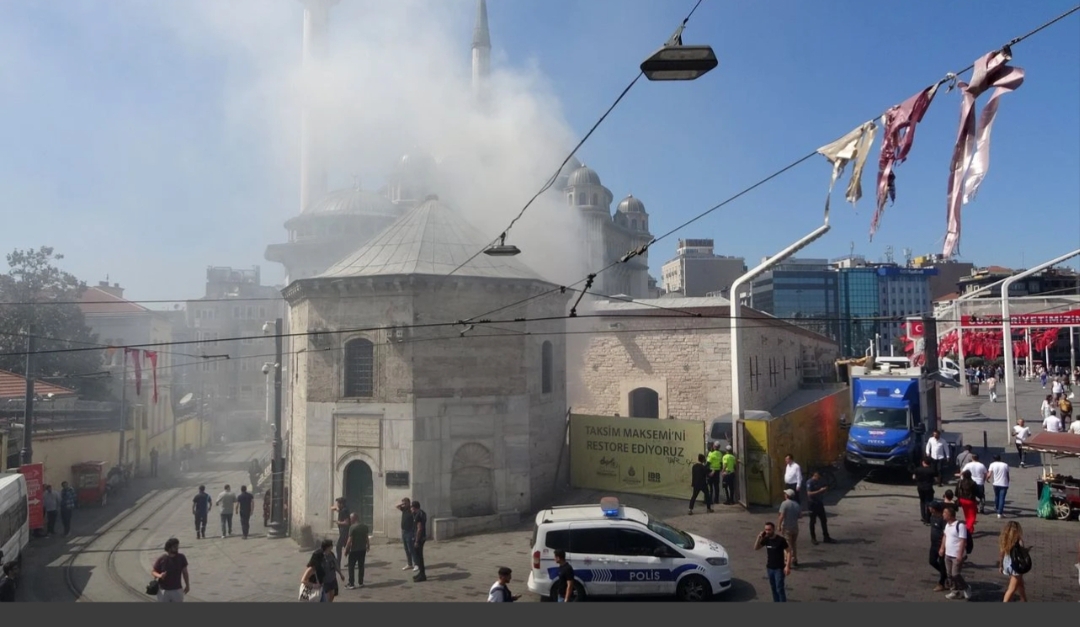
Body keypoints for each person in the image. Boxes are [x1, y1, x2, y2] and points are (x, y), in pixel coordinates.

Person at [754, 522, 792, 602]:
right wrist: (759, 537)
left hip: (779, 568)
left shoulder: (780, 540)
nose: (767, 531)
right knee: (773, 588)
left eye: (769, 530)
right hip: (770, 568)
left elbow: (788, 551)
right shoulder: (766, 539)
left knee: (779, 589)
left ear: (773, 530)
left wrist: (787, 566)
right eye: (766, 530)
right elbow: (756, 548)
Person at [940, 505, 970, 600]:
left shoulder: (960, 525)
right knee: (949, 574)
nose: (943, 515)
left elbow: (963, 540)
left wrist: (960, 554)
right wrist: (942, 548)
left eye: (945, 513)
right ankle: (954, 591)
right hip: (948, 554)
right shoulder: (947, 525)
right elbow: (945, 536)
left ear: (951, 515)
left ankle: (966, 587)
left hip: (956, 555)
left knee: (955, 574)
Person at [151, 538, 190, 602]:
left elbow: (185, 573)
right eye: (175, 547)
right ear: (169, 548)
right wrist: (160, 575)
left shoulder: (181, 557)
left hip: (177, 589)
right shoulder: (162, 559)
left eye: (177, 546)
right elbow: (153, 571)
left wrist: (187, 585)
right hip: (163, 590)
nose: (177, 548)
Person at [997, 521, 1028, 602]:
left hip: (1007, 565)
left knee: (1020, 585)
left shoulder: (1004, 540)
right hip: (1016, 566)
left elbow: (1001, 554)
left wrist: (1000, 565)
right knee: (1011, 589)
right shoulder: (1019, 541)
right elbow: (1022, 553)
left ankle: (1024, 600)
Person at [805, 471, 834, 544]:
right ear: (815, 475)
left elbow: (823, 490)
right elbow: (809, 494)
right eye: (818, 477)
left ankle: (826, 537)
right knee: (812, 521)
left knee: (824, 520)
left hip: (819, 503)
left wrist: (824, 490)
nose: (819, 479)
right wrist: (819, 491)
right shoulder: (810, 482)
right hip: (812, 504)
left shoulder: (819, 481)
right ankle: (813, 538)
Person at [927, 502, 949, 592]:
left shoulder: (942, 520)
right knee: (932, 561)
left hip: (941, 545)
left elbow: (945, 533)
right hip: (933, 544)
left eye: (930, 507)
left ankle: (941, 583)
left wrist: (942, 547)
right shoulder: (932, 517)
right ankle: (946, 575)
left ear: (934, 509)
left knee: (942, 564)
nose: (928, 509)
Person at [344, 512, 369, 589]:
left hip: (354, 550)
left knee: (351, 567)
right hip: (362, 549)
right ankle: (361, 582)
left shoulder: (352, 527)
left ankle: (351, 584)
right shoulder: (365, 526)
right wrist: (368, 545)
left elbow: (349, 540)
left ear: (354, 518)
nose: (350, 520)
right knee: (361, 566)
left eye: (351, 518)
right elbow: (366, 537)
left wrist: (346, 550)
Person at [777, 489, 800, 567]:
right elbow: (800, 516)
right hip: (795, 527)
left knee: (787, 545)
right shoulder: (797, 504)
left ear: (787, 496)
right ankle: (795, 559)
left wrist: (779, 525)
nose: (784, 495)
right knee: (794, 544)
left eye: (785, 494)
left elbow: (781, 516)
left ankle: (787, 561)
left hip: (787, 527)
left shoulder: (784, 504)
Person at [913, 457, 938, 524]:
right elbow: (936, 480)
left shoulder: (917, 469)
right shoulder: (932, 471)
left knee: (922, 501)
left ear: (923, 462)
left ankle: (923, 516)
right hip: (929, 488)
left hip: (920, 488)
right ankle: (928, 518)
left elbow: (913, 477)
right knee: (929, 502)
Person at [396, 497, 417, 572]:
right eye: (403, 503)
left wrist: (408, 505)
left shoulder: (411, 510)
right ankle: (409, 564)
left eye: (405, 503)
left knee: (411, 549)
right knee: (406, 549)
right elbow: (397, 506)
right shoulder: (404, 509)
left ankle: (416, 564)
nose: (404, 504)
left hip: (409, 531)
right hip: (404, 531)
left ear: (408, 503)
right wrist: (402, 504)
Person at [956, 470, 978, 535]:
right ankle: (968, 528)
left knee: (967, 514)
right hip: (970, 500)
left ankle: (971, 529)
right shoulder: (973, 483)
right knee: (972, 516)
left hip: (962, 500)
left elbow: (956, 492)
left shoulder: (960, 482)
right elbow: (976, 492)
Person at [411, 501, 428, 582]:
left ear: (414, 507)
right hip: (423, 537)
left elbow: (419, 528)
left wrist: (416, 541)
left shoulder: (418, 515)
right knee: (419, 556)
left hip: (419, 538)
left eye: (412, 507)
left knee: (419, 557)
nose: (411, 509)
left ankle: (422, 575)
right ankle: (421, 573)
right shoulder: (423, 513)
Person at [332, 497, 351, 565]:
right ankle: (352, 561)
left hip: (344, 532)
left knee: (338, 547)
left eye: (338, 503)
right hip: (343, 531)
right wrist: (336, 509)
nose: (337, 505)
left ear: (341, 504)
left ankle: (338, 563)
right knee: (347, 546)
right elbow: (336, 509)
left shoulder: (344, 511)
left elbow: (347, 522)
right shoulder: (343, 509)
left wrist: (338, 522)